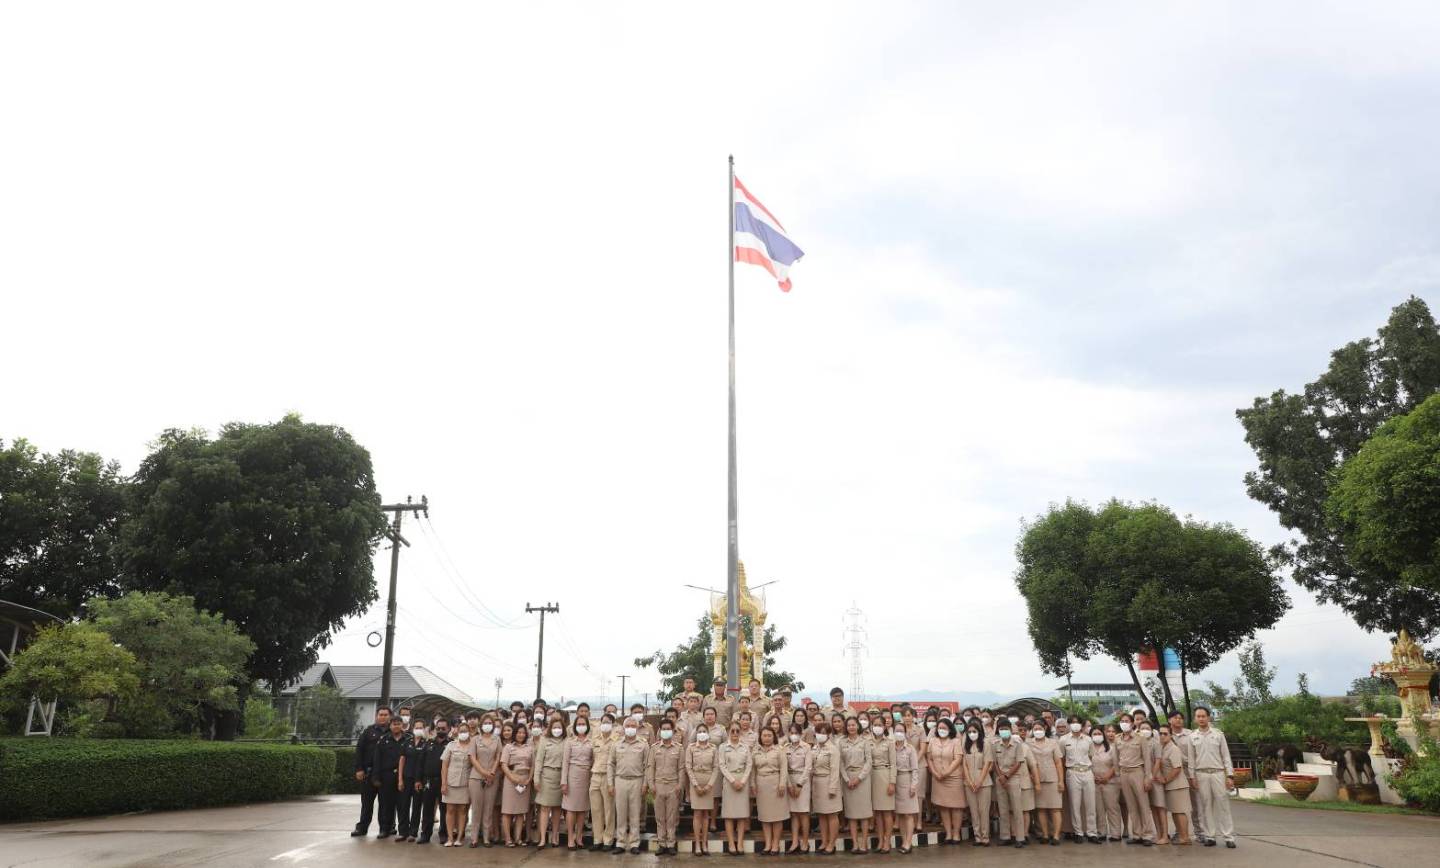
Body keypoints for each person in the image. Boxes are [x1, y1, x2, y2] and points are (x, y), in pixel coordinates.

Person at [1190, 706, 1236, 848]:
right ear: (1195, 718)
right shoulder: (1193, 736)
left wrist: (1230, 775)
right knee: (1205, 805)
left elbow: (1226, 756)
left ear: (1208, 717)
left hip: (1218, 773)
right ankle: (1210, 836)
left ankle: (1229, 837)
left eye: (1203, 716)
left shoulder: (1218, 734)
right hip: (1201, 774)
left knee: (1223, 804)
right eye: (1198, 716)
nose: (1201, 719)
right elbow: (1192, 759)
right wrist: (1192, 777)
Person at [609, 715, 650, 854]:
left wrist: (645, 784)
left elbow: (647, 766)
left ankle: (634, 843)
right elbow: (611, 764)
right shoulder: (616, 743)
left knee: (634, 813)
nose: (630, 728)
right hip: (620, 780)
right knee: (620, 813)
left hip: (637, 780)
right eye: (628, 726)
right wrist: (610, 783)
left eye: (633, 726)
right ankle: (620, 842)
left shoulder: (643, 744)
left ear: (637, 728)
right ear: (624, 728)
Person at [1114, 712, 1156, 845]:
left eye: (1126, 721)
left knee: (1143, 804)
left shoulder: (1140, 738)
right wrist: (1118, 776)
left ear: (1132, 723)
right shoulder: (1117, 738)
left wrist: (1148, 777)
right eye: (1122, 721)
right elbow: (1116, 758)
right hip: (1124, 773)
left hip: (1137, 772)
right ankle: (1137, 834)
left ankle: (1147, 835)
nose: (1124, 723)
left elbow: (1147, 759)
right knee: (1131, 805)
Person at [1058, 714, 1098, 844]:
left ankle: (1092, 833)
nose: (1075, 724)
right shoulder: (1063, 740)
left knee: (1090, 804)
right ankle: (1078, 832)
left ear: (1081, 724)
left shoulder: (1088, 740)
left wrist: (1086, 767)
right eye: (1072, 722)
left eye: (1077, 722)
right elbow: (1061, 759)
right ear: (1069, 725)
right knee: (1075, 805)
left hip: (1087, 772)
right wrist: (1063, 777)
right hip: (1072, 772)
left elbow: (1091, 756)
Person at [352, 707, 392, 837]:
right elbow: (359, 750)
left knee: (385, 804)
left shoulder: (393, 732)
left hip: (384, 774)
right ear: (376, 716)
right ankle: (362, 828)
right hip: (368, 773)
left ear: (390, 717)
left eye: (386, 715)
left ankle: (384, 829)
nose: (383, 717)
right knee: (367, 803)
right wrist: (359, 769)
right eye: (381, 714)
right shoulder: (368, 731)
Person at [1169, 709, 1206, 843]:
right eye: (1175, 717)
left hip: (1189, 770)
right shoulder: (1165, 735)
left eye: (1180, 718)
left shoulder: (1190, 734)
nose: (1178, 720)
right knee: (1177, 805)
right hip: (1173, 772)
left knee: (1196, 804)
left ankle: (1200, 832)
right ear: (1169, 720)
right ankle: (1179, 832)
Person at [650, 719, 685, 856]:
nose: (665, 731)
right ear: (660, 731)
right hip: (658, 785)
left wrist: (679, 785)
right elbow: (650, 767)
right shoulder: (654, 748)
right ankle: (661, 843)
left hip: (673, 785)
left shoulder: (679, 748)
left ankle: (671, 843)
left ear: (672, 730)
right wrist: (651, 785)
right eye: (663, 729)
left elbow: (681, 768)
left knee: (671, 817)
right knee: (659, 817)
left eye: (668, 729)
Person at [991, 720, 1030, 848]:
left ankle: (1020, 837)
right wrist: (1001, 776)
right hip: (1000, 779)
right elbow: (994, 763)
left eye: (1006, 728)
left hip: (1013, 778)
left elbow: (1019, 762)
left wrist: (1007, 776)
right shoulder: (995, 744)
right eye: (1001, 728)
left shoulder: (1017, 744)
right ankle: (1005, 836)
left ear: (1010, 729)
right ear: (998, 730)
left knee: (1017, 809)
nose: (1004, 730)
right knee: (1003, 809)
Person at [926, 717, 964, 844]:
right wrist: (935, 772)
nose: (942, 730)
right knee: (943, 806)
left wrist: (946, 773)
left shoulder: (956, 741)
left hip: (953, 778)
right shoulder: (932, 741)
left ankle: (956, 834)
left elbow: (958, 759)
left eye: (944, 728)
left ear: (950, 729)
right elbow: (929, 758)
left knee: (956, 807)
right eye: (940, 728)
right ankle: (948, 833)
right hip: (937, 778)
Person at [752, 726, 789, 855]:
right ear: (760, 737)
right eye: (764, 735)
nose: (766, 738)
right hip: (761, 785)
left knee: (777, 817)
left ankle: (775, 844)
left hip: (776, 784)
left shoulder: (779, 750)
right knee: (765, 816)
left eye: (769, 735)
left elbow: (784, 768)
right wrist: (753, 784)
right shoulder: (756, 751)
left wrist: (782, 784)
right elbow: (753, 770)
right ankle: (767, 844)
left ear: (773, 737)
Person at [839, 715, 874, 853]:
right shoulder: (841, 742)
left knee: (864, 814)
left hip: (863, 780)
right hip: (848, 779)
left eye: (854, 725)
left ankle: (864, 844)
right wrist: (847, 780)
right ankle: (855, 844)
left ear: (858, 726)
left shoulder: (864, 742)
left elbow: (869, 762)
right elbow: (840, 763)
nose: (851, 727)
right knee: (852, 814)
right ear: (846, 728)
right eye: (849, 725)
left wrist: (859, 778)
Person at [719, 722, 754, 854]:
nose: (734, 733)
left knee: (741, 815)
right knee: (729, 815)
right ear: (728, 732)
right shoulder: (723, 747)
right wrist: (733, 781)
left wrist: (743, 781)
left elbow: (749, 765)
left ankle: (740, 843)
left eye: (737, 731)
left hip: (742, 782)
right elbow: (722, 765)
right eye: (732, 731)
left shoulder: (745, 747)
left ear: (740, 732)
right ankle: (731, 843)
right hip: (729, 782)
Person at [686, 722, 720, 855]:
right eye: (699, 731)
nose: (701, 733)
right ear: (696, 734)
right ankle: (698, 844)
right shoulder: (691, 747)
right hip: (695, 783)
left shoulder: (713, 748)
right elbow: (688, 767)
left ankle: (705, 843)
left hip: (708, 783)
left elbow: (716, 767)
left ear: (708, 733)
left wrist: (709, 785)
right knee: (697, 814)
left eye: (704, 731)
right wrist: (695, 785)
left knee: (706, 814)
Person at [467, 714, 501, 847]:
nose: (487, 725)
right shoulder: (475, 739)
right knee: (476, 808)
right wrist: (484, 772)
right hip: (476, 777)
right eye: (485, 723)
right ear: (481, 725)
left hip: (492, 777)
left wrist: (491, 772)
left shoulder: (497, 739)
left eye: (490, 723)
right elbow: (472, 758)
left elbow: (498, 756)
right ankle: (474, 838)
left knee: (488, 808)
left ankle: (486, 837)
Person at [810, 721, 843, 854]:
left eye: (823, 733)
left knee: (831, 815)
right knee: (822, 815)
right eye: (818, 732)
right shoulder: (815, 748)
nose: (820, 735)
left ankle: (831, 843)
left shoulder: (833, 749)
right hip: (817, 783)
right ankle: (824, 841)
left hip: (829, 782)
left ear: (829, 734)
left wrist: (832, 788)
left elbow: (835, 770)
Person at [1155, 728, 1193, 845]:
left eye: (1165, 734)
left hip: (1177, 785)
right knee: (1175, 812)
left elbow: (1177, 768)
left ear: (1171, 735)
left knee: (1180, 812)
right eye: (1160, 733)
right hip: (1171, 786)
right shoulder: (1163, 748)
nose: (1162, 736)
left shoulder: (1173, 749)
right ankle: (1182, 836)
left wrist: (1165, 779)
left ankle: (1185, 837)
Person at [1028, 720, 1063, 845]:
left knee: (1055, 809)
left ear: (1045, 728)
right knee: (1041, 809)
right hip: (1036, 780)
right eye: (1035, 729)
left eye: (1040, 728)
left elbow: (1058, 763)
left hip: (1052, 778)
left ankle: (1056, 836)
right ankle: (1045, 835)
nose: (1037, 731)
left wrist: (1061, 781)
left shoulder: (1053, 742)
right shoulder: (1028, 743)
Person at [561, 715, 593, 851]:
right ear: (575, 726)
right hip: (572, 776)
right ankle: (570, 838)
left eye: (583, 723)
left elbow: (593, 760)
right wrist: (564, 781)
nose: (581, 726)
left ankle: (579, 837)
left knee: (582, 809)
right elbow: (565, 762)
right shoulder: (569, 741)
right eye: (578, 724)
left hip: (586, 776)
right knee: (571, 809)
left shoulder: (591, 742)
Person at [374, 716, 409, 839]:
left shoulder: (408, 739)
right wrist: (376, 778)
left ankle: (403, 831)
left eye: (399, 724)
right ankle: (385, 829)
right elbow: (377, 760)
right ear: (390, 726)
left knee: (403, 805)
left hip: (403, 777)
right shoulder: (383, 740)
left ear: (402, 725)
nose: (396, 726)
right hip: (386, 776)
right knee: (385, 805)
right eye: (394, 724)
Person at [533, 717, 566, 849]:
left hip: (560, 776)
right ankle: (542, 838)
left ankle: (555, 836)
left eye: (559, 727)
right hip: (546, 776)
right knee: (545, 808)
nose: (557, 730)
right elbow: (539, 760)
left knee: (557, 808)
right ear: (550, 728)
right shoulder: (544, 740)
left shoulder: (566, 741)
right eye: (554, 727)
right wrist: (536, 778)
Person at [441, 719, 475, 847]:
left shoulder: (473, 746)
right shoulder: (451, 745)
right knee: (450, 809)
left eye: (466, 731)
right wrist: (443, 783)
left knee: (462, 810)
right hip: (450, 782)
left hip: (466, 783)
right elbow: (444, 765)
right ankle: (450, 838)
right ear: (457, 732)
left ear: (470, 732)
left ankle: (459, 837)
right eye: (461, 731)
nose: (463, 733)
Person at [500, 724, 534, 847]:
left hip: (525, 782)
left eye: (523, 733)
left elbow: (532, 765)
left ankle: (518, 838)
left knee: (521, 812)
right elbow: (503, 765)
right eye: (519, 732)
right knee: (508, 811)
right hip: (511, 781)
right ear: (515, 733)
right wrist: (513, 778)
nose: (521, 735)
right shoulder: (508, 747)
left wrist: (528, 779)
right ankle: (508, 839)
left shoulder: (529, 748)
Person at [959, 719, 992, 847]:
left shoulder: (986, 744)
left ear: (979, 732)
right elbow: (964, 765)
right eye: (970, 731)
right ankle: (977, 837)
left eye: (974, 731)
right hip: (969, 783)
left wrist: (979, 781)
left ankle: (985, 837)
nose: (972, 733)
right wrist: (969, 780)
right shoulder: (965, 746)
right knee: (973, 811)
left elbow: (987, 764)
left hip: (984, 782)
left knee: (983, 810)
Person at [417, 717, 450, 845]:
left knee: (444, 810)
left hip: (444, 782)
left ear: (448, 729)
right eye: (438, 728)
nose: (441, 730)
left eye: (443, 728)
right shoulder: (428, 743)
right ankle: (425, 835)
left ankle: (443, 834)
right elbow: (421, 763)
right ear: (435, 729)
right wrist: (418, 780)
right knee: (427, 810)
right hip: (428, 781)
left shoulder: (451, 744)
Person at [784, 723, 813, 854]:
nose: (793, 735)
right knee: (794, 814)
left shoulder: (806, 747)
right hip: (790, 780)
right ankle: (795, 841)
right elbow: (784, 768)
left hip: (803, 782)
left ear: (801, 734)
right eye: (791, 733)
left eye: (796, 733)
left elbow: (808, 767)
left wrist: (800, 785)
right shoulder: (785, 748)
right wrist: (790, 784)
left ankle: (805, 842)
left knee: (803, 813)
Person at [868, 716, 896, 852]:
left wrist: (892, 782)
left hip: (885, 776)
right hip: (872, 777)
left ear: (885, 727)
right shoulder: (867, 741)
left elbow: (893, 764)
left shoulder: (890, 742)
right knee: (877, 812)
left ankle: (887, 840)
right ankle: (880, 840)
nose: (877, 727)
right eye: (875, 724)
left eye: (880, 725)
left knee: (887, 811)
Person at [1092, 724, 1122, 842]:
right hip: (1094, 782)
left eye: (1099, 734)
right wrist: (1094, 776)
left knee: (1112, 807)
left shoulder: (1112, 747)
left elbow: (1117, 764)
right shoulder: (1090, 748)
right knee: (1099, 809)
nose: (1097, 736)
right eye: (1094, 734)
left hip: (1110, 782)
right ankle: (1101, 832)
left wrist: (1107, 777)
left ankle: (1115, 834)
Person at [892, 726, 920, 853]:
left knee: (909, 814)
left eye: (901, 731)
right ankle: (904, 841)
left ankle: (909, 843)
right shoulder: (891, 748)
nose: (898, 733)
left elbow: (915, 769)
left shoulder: (910, 749)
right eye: (896, 731)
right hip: (895, 782)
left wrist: (913, 785)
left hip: (907, 781)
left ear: (905, 733)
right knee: (901, 814)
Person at [399, 717, 427, 842]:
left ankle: (413, 832)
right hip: (406, 778)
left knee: (416, 807)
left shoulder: (427, 744)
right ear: (412, 728)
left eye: (421, 727)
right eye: (416, 727)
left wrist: (421, 780)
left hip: (419, 781)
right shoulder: (407, 742)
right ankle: (402, 832)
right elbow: (402, 760)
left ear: (424, 729)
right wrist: (400, 779)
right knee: (403, 806)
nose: (418, 729)